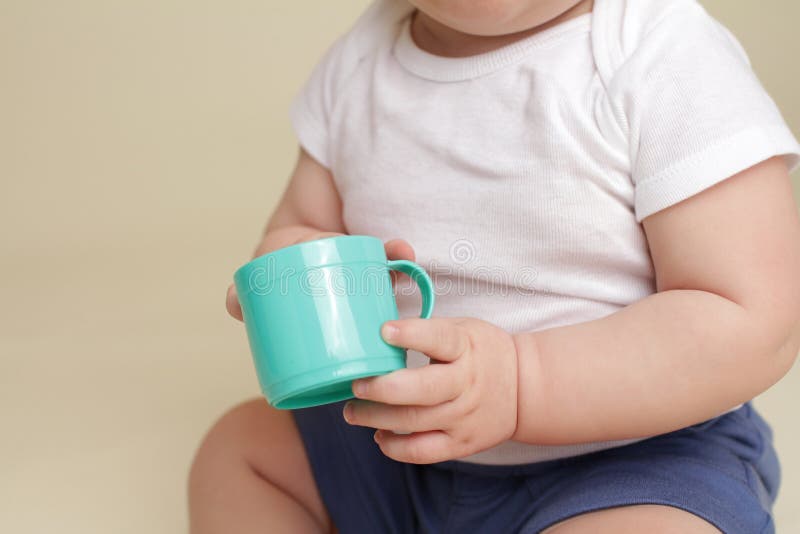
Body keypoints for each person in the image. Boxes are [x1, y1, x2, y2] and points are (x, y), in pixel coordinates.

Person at [188, 0, 800, 532]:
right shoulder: (357, 65)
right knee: (241, 455)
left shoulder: (657, 51)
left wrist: (522, 382)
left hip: (632, 462)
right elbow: (302, 226)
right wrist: (289, 275)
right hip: (398, 447)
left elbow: (749, 319)